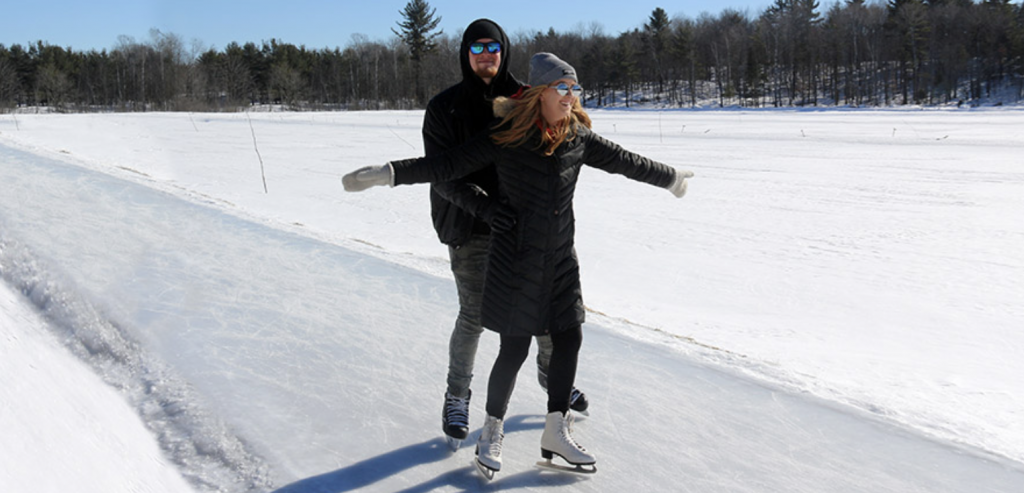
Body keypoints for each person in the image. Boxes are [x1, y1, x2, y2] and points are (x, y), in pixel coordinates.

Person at [342, 52, 693, 476]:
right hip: (514, 257)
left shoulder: (577, 136)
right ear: (539, 93)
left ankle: (555, 431)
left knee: (569, 339)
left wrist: (671, 178)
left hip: (561, 258)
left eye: (574, 88)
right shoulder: (507, 136)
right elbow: (446, 166)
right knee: (515, 348)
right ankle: (492, 429)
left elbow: (625, 161)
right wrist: (388, 173)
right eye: (562, 88)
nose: (570, 96)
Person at [420, 19, 588, 450]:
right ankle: (457, 395)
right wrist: (487, 208)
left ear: (504, 50)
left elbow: (560, 140)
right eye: (476, 48)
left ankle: (556, 379)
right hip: (471, 225)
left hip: (527, 228)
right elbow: (442, 177)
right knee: (475, 315)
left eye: (492, 46)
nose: (486, 55)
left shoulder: (525, 98)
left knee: (548, 314)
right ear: (465, 54)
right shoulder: (444, 108)